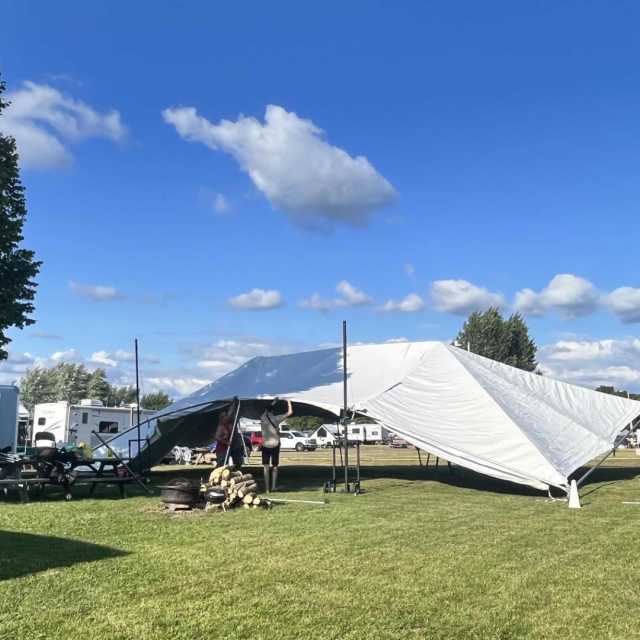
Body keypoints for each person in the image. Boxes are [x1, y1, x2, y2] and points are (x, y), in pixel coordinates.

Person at [260, 398, 293, 492]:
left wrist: (275, 401)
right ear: (273, 412)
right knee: (275, 467)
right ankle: (273, 486)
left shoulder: (263, 417)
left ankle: (267, 489)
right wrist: (288, 401)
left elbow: (268, 409)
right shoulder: (276, 418)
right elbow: (290, 412)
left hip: (265, 444)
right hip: (275, 444)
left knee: (265, 467)